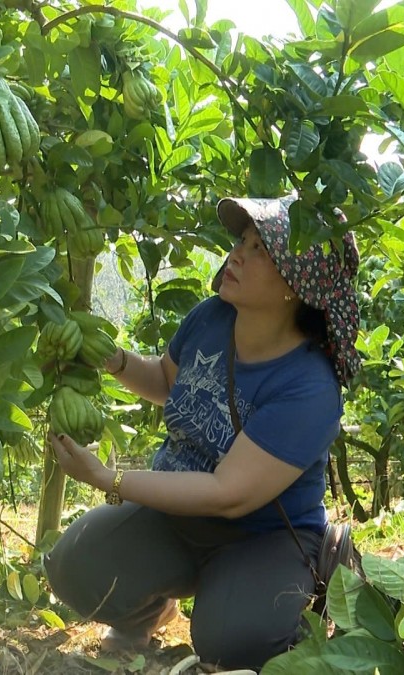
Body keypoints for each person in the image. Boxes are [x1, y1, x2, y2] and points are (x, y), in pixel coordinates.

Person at [43, 196, 361, 671]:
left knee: (232, 644)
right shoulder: (211, 318)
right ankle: (150, 610)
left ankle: (292, 587)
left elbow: (227, 493)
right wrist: (113, 359)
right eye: (242, 241)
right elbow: (167, 382)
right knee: (74, 564)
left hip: (259, 537)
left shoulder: (309, 386)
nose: (237, 254)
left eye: (261, 250)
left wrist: (108, 478)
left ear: (299, 284)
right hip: (175, 516)